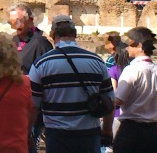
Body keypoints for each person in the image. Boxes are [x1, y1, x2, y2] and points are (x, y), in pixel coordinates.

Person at [28, 14, 113, 153]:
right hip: (89, 134)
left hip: (57, 135)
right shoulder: (97, 61)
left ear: (52, 35)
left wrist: (27, 134)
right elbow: (109, 99)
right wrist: (107, 130)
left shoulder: (41, 64)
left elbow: (33, 106)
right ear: (75, 34)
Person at [113, 27, 157, 153]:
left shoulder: (132, 70)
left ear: (139, 46)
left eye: (129, 44)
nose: (127, 48)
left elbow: (118, 100)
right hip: (153, 131)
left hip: (131, 130)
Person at [9, 3, 53, 153]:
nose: (16, 26)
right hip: (13, 107)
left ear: (30, 20)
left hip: (32, 110)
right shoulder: (12, 42)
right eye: (13, 22)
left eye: (19, 21)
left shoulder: (41, 43)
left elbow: (48, 77)